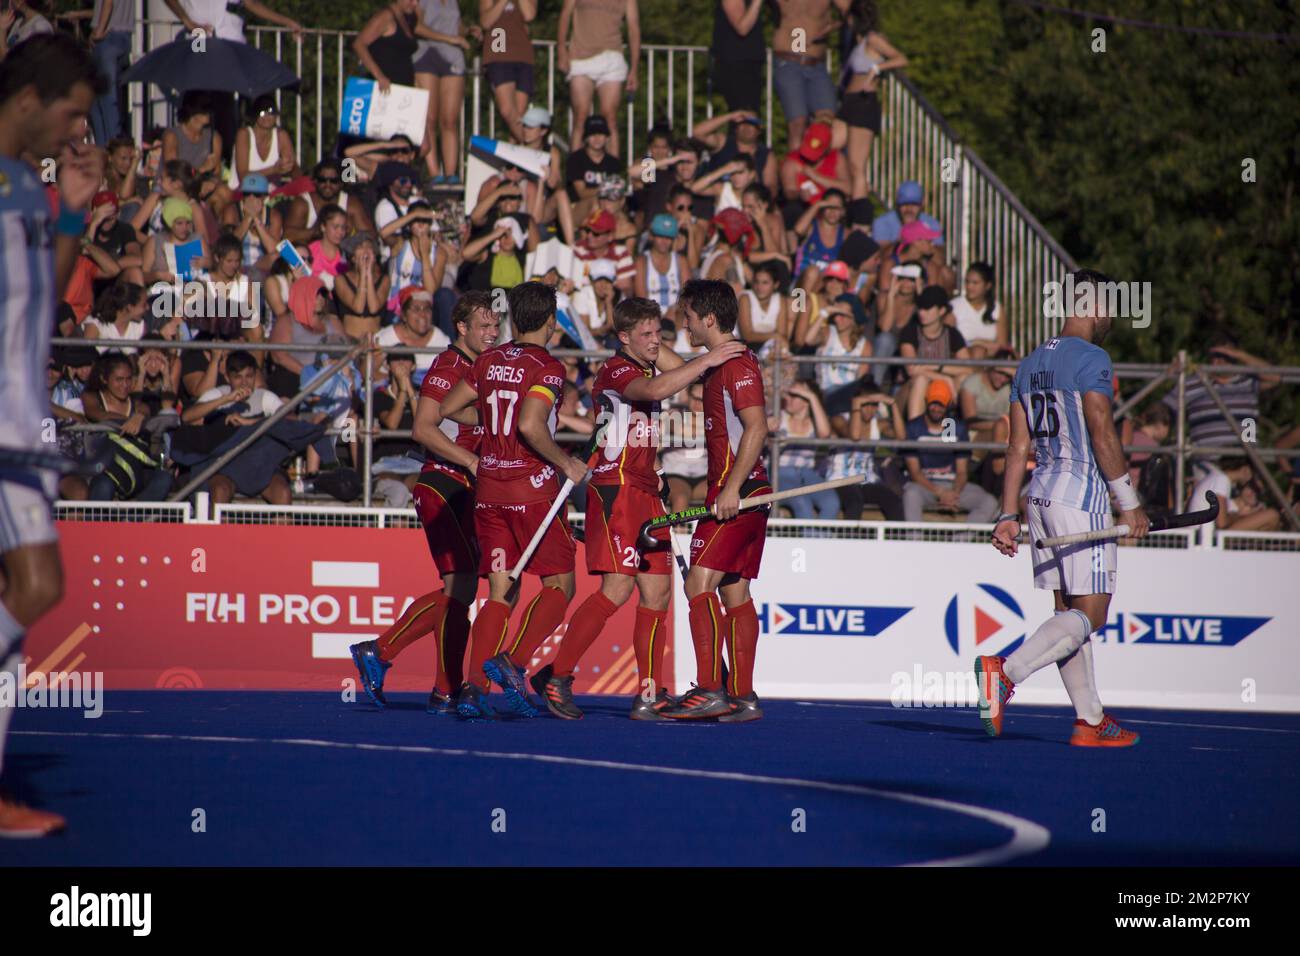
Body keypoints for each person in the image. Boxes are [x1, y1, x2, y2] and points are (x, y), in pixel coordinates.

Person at [532, 298, 746, 719]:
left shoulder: (646, 359)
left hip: (648, 489)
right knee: (617, 589)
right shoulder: (617, 370)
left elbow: (673, 370)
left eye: (658, 334)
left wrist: (683, 352)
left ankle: (649, 693)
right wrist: (711, 358)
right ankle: (557, 677)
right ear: (623, 338)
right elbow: (658, 388)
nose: (655, 342)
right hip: (615, 491)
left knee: (658, 594)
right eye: (646, 335)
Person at [0, 30, 104, 838]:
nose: (75, 133)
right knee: (35, 587)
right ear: (28, 101)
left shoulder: (25, 189)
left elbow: (48, 291)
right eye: (70, 117)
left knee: (29, 591)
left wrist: (72, 204)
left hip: (20, 420)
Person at [987, 269, 1151, 748]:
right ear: (1094, 306)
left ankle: (1089, 719)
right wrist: (1129, 503)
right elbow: (1102, 430)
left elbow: (1016, 447)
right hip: (1082, 498)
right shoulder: (1093, 358)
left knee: (1066, 614)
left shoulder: (1029, 362)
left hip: (1039, 497)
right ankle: (1006, 671)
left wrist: (1006, 514)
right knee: (1092, 615)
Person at [431, 282, 590, 720]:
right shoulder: (548, 366)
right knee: (560, 585)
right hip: (532, 490)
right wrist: (566, 463)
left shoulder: (487, 360)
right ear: (552, 321)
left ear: (515, 319)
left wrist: (489, 422)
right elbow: (530, 424)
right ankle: (513, 662)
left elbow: (447, 408)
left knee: (500, 591)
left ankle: (472, 690)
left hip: (489, 489)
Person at [350, 292, 500, 711]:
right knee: (460, 588)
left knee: (463, 590)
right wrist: (472, 460)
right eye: (483, 326)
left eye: (495, 325)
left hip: (466, 488)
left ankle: (442, 689)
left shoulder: (485, 366)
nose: (492, 333)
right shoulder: (447, 366)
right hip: (442, 483)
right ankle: (381, 652)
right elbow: (422, 428)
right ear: (462, 329)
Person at [661, 279, 770, 722]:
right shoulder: (718, 362)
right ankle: (742, 697)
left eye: (687, 316)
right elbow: (677, 366)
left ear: (709, 318)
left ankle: (710, 690)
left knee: (696, 585)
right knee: (735, 590)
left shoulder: (737, 365)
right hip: (743, 491)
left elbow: (757, 428)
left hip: (737, 492)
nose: (683, 323)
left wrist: (729, 489)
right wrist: (642, 344)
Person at [901, 379, 998, 523]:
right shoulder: (914, 427)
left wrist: (954, 493)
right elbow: (915, 472)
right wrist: (940, 492)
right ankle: (915, 540)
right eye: (933, 403)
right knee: (911, 494)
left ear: (948, 405)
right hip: (924, 486)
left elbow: (961, 471)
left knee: (989, 501)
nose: (936, 408)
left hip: (952, 485)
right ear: (926, 401)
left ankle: (962, 541)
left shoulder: (953, 427)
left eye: (941, 404)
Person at [837, 2, 906, 199]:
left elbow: (901, 58)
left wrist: (877, 69)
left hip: (863, 103)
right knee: (827, 143)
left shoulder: (874, 39)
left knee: (856, 165)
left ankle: (859, 212)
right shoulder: (858, 41)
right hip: (849, 103)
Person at [557, 0, 640, 159]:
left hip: (612, 57)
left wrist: (634, 69)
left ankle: (612, 173)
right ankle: (576, 172)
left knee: (610, 119)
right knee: (581, 117)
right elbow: (565, 15)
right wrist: (561, 50)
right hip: (580, 57)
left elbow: (633, 29)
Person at [413, 0, 476, 184]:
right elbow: (417, 27)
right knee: (429, 119)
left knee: (449, 120)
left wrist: (467, 31)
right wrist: (450, 39)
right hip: (426, 55)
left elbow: (454, 27)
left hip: (452, 57)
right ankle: (434, 174)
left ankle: (451, 174)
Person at [770, 0, 843, 148]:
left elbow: (853, 12)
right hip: (788, 61)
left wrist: (831, 26)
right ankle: (795, 168)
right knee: (798, 122)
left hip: (816, 65)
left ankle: (822, 167)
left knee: (827, 121)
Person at [480, 0, 537, 144]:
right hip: (498, 52)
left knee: (519, 116)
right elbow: (486, 22)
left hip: (522, 55)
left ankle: (515, 162)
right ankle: (531, 145)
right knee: (507, 110)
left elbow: (529, 15)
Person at [283, 160, 375, 244]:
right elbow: (286, 238)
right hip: (307, 258)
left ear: (341, 183)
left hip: (342, 256)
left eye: (333, 181)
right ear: (315, 181)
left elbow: (370, 235)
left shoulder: (351, 203)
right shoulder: (302, 203)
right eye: (322, 180)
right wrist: (317, 232)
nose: (328, 185)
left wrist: (345, 235)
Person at [227, 94, 298, 190]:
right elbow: (243, 177)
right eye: (262, 112)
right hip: (244, 191)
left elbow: (292, 166)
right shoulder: (244, 134)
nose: (267, 116)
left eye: (271, 111)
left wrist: (289, 166)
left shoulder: (281, 135)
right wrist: (273, 170)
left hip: (272, 193)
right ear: (255, 114)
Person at [710, 0, 765, 113]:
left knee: (751, 113)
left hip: (751, 62)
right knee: (742, 115)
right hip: (735, 63)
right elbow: (742, 28)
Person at [948, 262, 1006, 356]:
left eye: (975, 283)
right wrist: (978, 344)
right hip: (965, 360)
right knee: (978, 352)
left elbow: (1002, 344)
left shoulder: (997, 308)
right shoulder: (954, 307)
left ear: (988, 285)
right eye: (967, 282)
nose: (969, 287)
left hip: (992, 360)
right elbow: (949, 343)